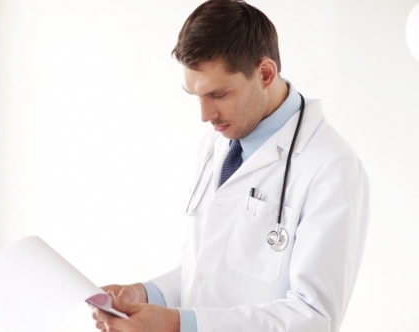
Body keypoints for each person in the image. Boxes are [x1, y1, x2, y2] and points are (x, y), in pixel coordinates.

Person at [91, 0, 370, 331]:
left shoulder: (330, 166)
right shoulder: (218, 142)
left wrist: (180, 325)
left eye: (218, 95)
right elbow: (204, 269)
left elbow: (313, 317)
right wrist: (144, 294)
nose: (205, 115)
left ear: (265, 73)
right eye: (196, 96)